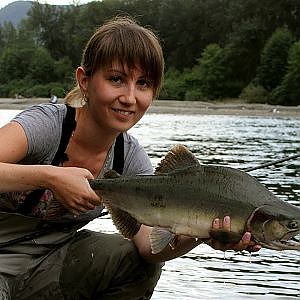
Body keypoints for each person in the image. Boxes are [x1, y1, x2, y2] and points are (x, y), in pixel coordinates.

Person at [0, 16, 260, 300]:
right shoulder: (47, 125)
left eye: (143, 83)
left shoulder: (130, 158)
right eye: (116, 80)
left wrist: (202, 233)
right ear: (84, 81)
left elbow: (149, 246)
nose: (130, 97)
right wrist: (49, 177)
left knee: (136, 263)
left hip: (50, 265)